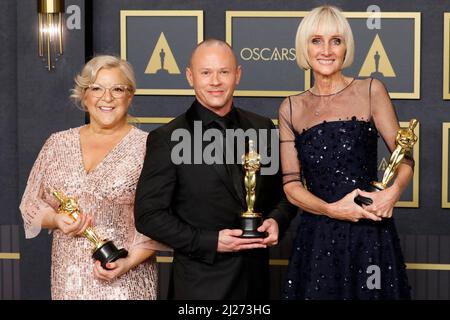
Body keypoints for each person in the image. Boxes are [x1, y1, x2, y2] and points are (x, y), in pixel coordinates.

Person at [134, 39, 296, 299]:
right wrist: (210, 242)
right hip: (199, 287)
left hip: (255, 284)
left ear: (238, 75)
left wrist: (277, 220)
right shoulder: (167, 138)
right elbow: (148, 215)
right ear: (190, 76)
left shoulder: (263, 128)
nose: (215, 81)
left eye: (224, 72)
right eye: (206, 72)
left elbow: (285, 195)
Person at [278, 5, 413, 299]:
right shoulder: (290, 107)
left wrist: (393, 193)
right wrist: (330, 209)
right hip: (317, 236)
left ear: (345, 47)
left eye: (335, 41)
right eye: (317, 40)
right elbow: (290, 186)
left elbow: (404, 159)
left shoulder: (371, 90)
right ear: (305, 47)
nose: (326, 50)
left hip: (369, 232)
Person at [20, 55, 166, 299]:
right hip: (69, 278)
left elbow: (161, 217)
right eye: (96, 88)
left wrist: (128, 262)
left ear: (130, 96)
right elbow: (31, 204)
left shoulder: (149, 147)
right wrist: (56, 219)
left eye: (117, 89)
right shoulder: (57, 143)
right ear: (84, 95)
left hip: (126, 279)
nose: (106, 98)